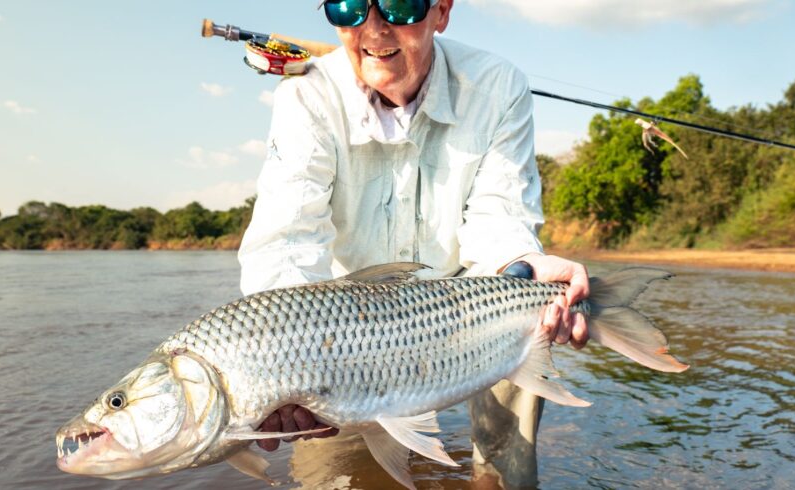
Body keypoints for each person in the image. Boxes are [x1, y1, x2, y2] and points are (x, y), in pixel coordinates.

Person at [236, 0, 590, 486]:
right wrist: (284, 369)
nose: (374, 27)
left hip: (471, 300)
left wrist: (523, 268)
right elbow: (287, 238)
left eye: (401, 4)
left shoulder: (500, 85)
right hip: (345, 326)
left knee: (523, 333)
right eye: (347, 7)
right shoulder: (306, 93)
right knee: (329, 476)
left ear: (441, 12)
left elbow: (500, 216)